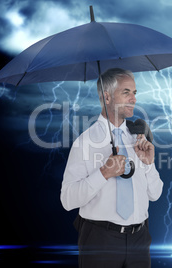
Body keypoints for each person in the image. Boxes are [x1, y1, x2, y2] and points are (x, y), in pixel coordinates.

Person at [60, 68, 163, 268]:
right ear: (107, 97)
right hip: (100, 241)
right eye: (126, 92)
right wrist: (103, 173)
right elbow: (67, 200)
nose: (133, 99)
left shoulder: (139, 138)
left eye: (134, 93)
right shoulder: (85, 142)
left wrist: (148, 165)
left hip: (139, 241)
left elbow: (155, 194)